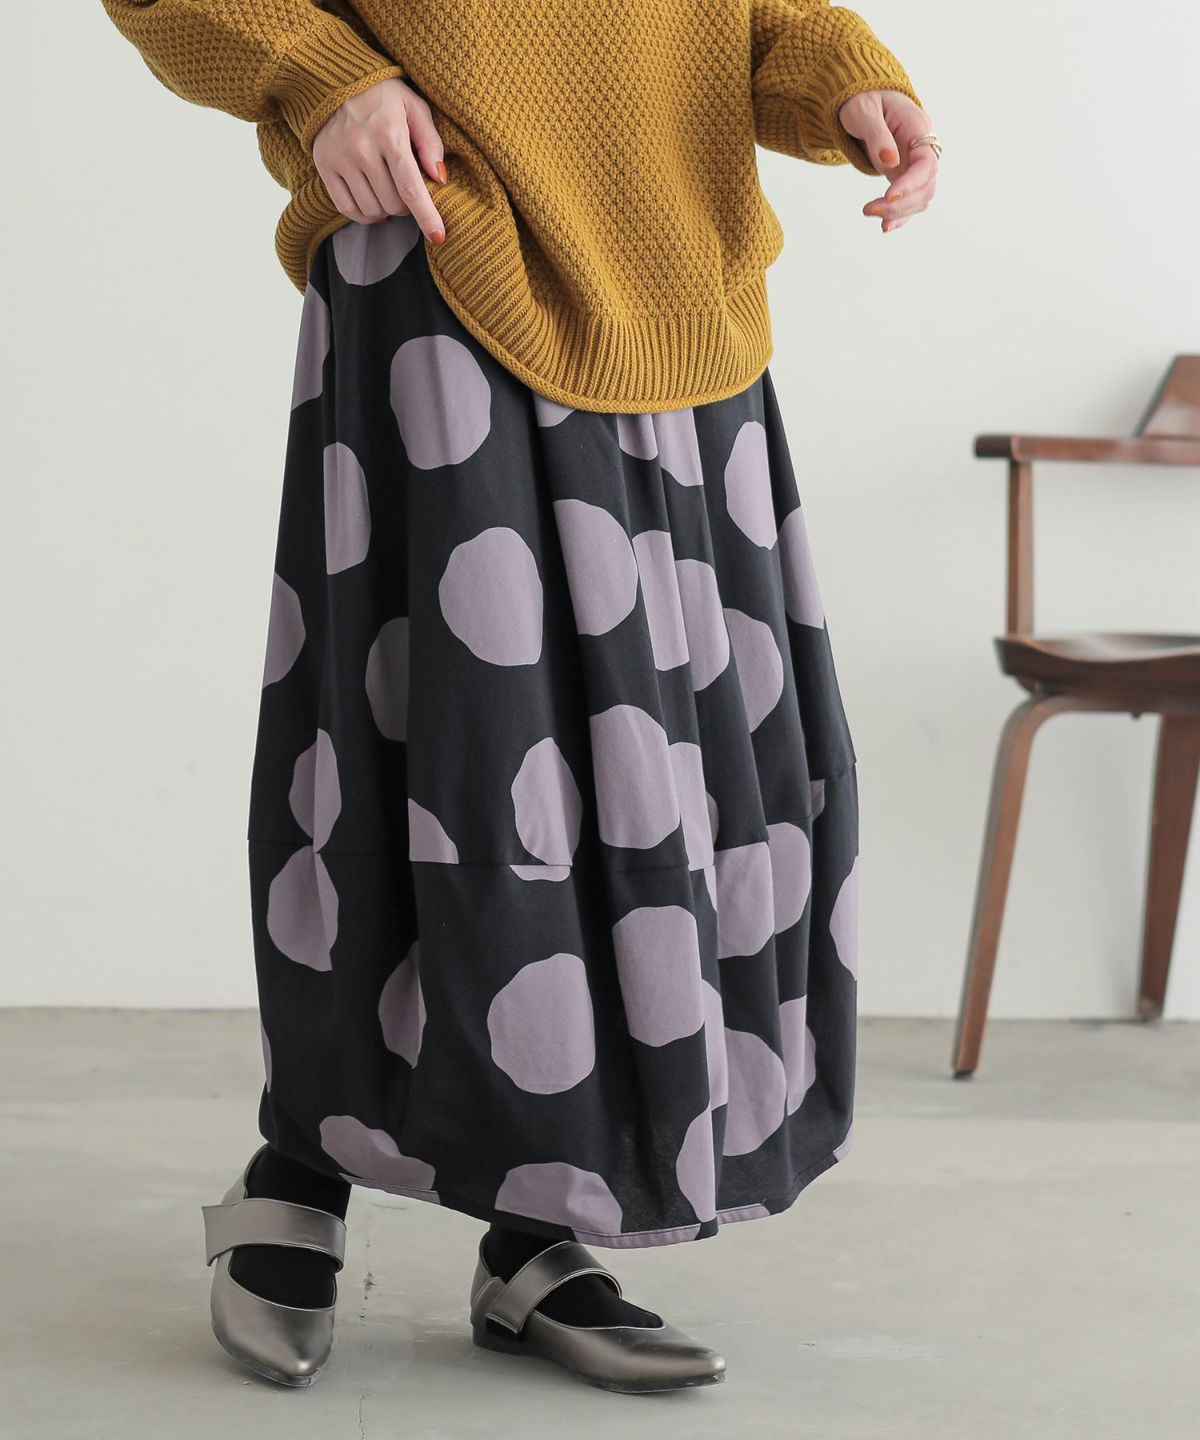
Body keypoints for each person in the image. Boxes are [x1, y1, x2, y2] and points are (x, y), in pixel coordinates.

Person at [99, 0, 938, 1396]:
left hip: (680, 290)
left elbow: (752, 15)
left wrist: (845, 80)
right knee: (447, 755)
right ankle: (301, 1165)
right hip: (445, 247)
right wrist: (325, 75)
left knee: (664, 785)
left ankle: (542, 1220)